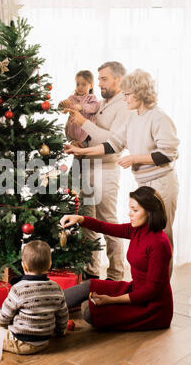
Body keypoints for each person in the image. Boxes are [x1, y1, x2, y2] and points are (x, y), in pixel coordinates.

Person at [65, 69, 179, 276]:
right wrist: (81, 150)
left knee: (162, 237)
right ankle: (147, 283)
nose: (124, 98)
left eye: (127, 94)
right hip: (144, 184)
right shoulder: (133, 117)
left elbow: (168, 154)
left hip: (162, 183)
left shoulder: (159, 117)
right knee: (146, 237)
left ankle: (161, 289)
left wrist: (135, 158)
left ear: (140, 92)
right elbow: (112, 144)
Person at [60, 186, 173, 331]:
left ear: (150, 211)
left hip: (152, 307)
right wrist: (80, 219)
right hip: (134, 291)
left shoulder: (159, 244)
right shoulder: (137, 229)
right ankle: (40, 305)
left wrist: (111, 300)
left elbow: (151, 291)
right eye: (130, 208)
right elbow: (105, 227)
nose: (129, 214)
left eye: (135, 210)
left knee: (89, 313)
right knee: (89, 285)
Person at [64, 62, 129, 282]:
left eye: (103, 79)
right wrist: (75, 137)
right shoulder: (99, 104)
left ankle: (115, 275)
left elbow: (113, 141)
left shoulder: (123, 106)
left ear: (118, 80)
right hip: (88, 167)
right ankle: (91, 271)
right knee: (88, 222)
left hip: (107, 170)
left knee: (109, 223)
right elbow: (88, 133)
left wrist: (84, 122)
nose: (99, 83)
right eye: (99, 79)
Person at [0, 240, 69, 355]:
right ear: (49, 265)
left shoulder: (18, 289)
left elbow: (4, 316)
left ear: (24, 266)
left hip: (20, 343)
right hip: (44, 341)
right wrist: (61, 331)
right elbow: (63, 315)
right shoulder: (56, 288)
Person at [58, 70, 100, 143]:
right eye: (78, 84)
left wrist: (82, 107)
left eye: (83, 84)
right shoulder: (71, 98)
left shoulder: (91, 97)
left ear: (91, 86)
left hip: (85, 132)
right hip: (72, 131)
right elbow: (63, 110)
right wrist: (62, 105)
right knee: (74, 150)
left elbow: (95, 107)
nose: (80, 87)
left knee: (84, 150)